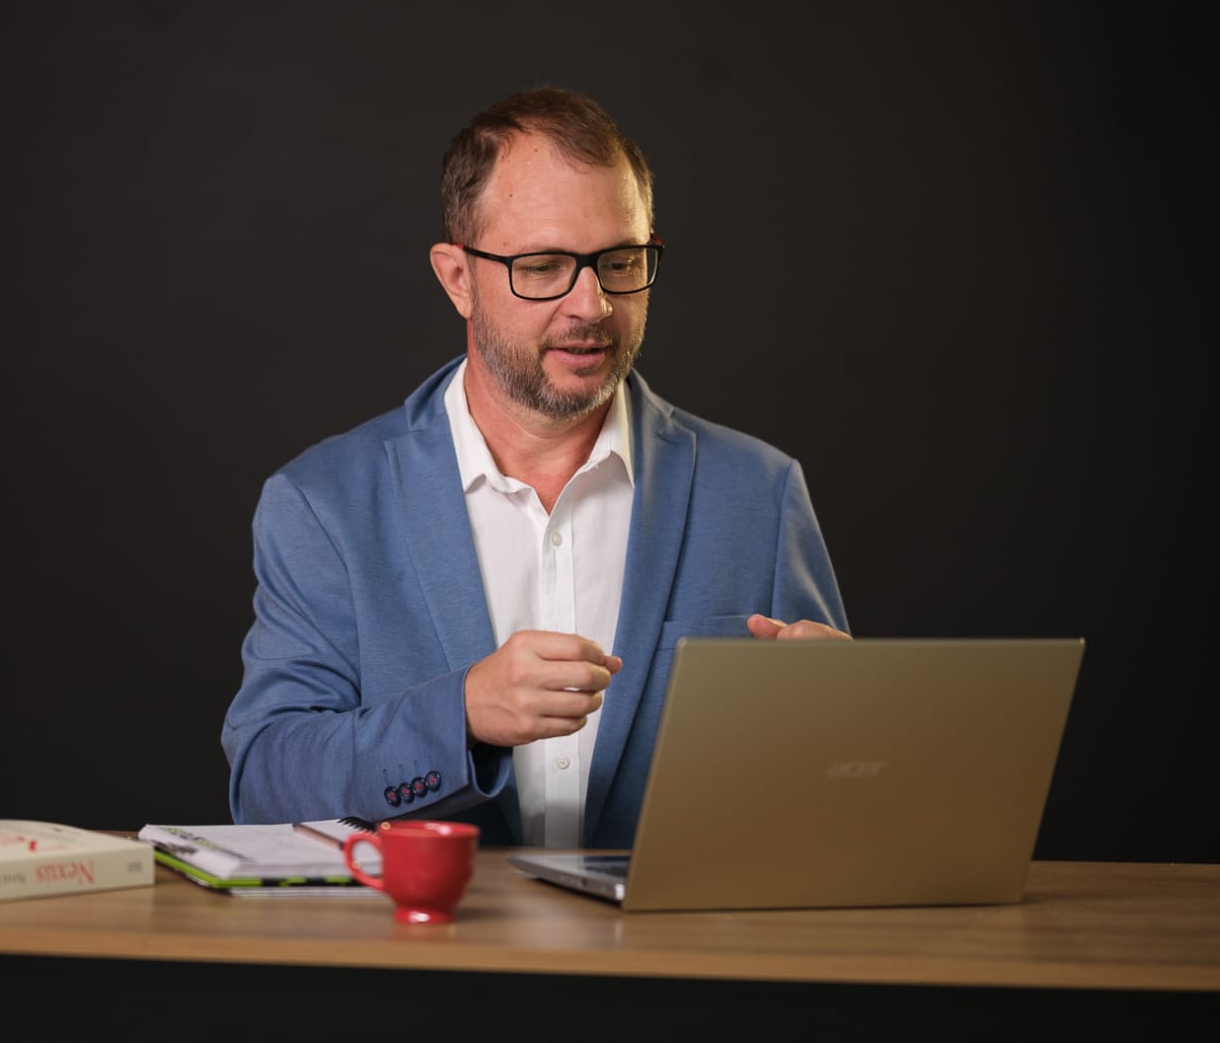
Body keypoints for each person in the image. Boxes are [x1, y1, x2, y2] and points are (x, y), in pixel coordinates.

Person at [223, 87, 850, 849]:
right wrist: (461, 716)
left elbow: (837, 812)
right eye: (545, 266)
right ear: (457, 277)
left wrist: (847, 740)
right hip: (426, 960)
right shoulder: (322, 504)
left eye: (619, 261)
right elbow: (264, 782)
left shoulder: (758, 491)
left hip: (673, 958)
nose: (591, 305)